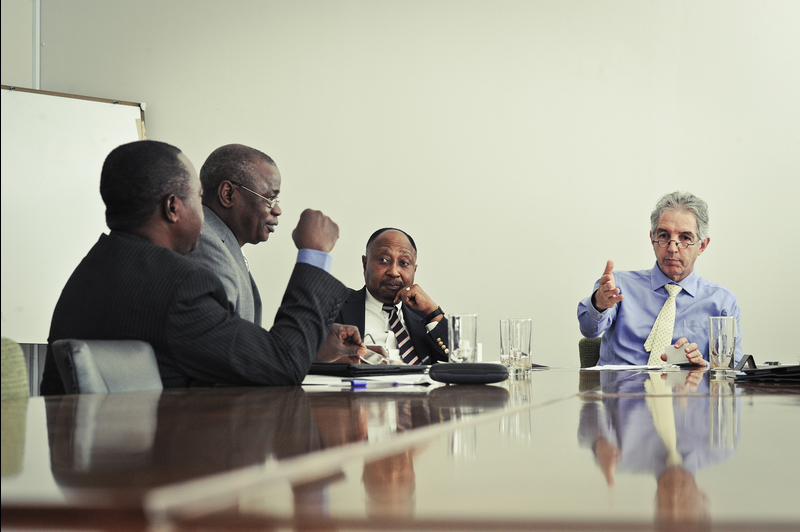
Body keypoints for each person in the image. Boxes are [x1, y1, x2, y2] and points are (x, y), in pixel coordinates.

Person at [40, 140, 364, 395]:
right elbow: (280, 366)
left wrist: (304, 343)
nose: (204, 210)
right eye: (197, 197)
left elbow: (223, 351)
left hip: (96, 467)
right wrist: (313, 253)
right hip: (165, 469)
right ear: (172, 208)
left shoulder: (89, 272)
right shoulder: (178, 285)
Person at [577, 191, 742, 367]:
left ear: (702, 245)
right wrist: (599, 304)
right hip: (621, 391)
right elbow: (589, 330)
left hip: (687, 392)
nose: (672, 248)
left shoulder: (722, 302)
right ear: (652, 239)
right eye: (664, 236)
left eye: (685, 238)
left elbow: (733, 369)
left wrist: (705, 366)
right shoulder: (618, 286)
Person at [187, 144, 282, 325]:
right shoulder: (207, 248)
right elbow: (221, 346)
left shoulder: (220, 244)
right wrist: (312, 255)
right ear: (228, 194)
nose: (277, 210)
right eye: (270, 198)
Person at [336, 228, 449, 364]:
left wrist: (433, 312)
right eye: (384, 260)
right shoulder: (335, 305)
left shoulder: (424, 317)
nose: (394, 272)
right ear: (365, 264)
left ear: (414, 270)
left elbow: (460, 360)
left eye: (404, 263)